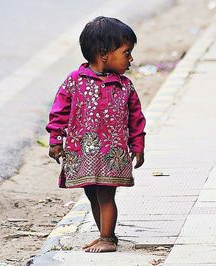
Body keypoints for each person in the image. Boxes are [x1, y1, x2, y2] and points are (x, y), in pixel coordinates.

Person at [45, 16, 146, 253]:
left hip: (112, 154)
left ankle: (108, 239)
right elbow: (59, 112)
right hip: (84, 153)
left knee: (106, 195)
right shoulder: (74, 81)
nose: (130, 59)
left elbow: (136, 118)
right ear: (104, 54)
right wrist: (55, 140)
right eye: (126, 52)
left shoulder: (124, 86)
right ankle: (105, 233)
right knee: (92, 193)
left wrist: (138, 145)